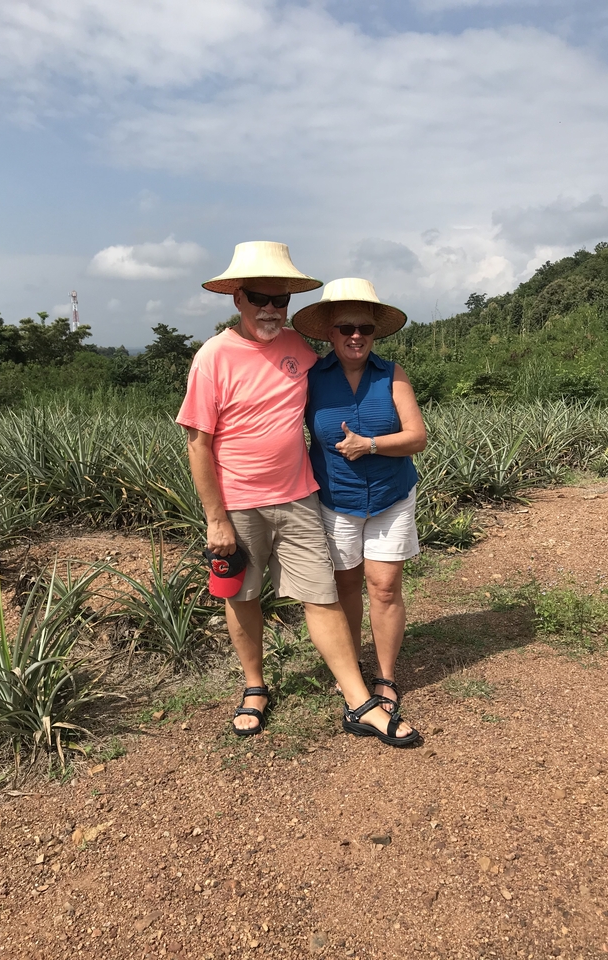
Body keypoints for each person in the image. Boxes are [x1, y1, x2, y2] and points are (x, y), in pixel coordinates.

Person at [176, 242, 416, 746]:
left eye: (279, 299)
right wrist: (214, 518)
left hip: (301, 495)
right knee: (242, 596)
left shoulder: (299, 351)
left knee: (321, 594)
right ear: (238, 298)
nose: (270, 308)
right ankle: (254, 686)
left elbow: (341, 373)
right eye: (260, 296)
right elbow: (198, 441)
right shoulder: (213, 356)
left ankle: (358, 702)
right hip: (238, 501)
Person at [293, 278, 426, 737]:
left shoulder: (393, 374)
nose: (355, 336)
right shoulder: (311, 378)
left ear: (375, 333)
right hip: (336, 498)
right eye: (346, 327)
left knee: (385, 586)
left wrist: (369, 444)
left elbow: (417, 437)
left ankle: (385, 678)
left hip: (391, 494)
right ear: (330, 332)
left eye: (364, 329)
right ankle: (352, 677)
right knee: (345, 586)